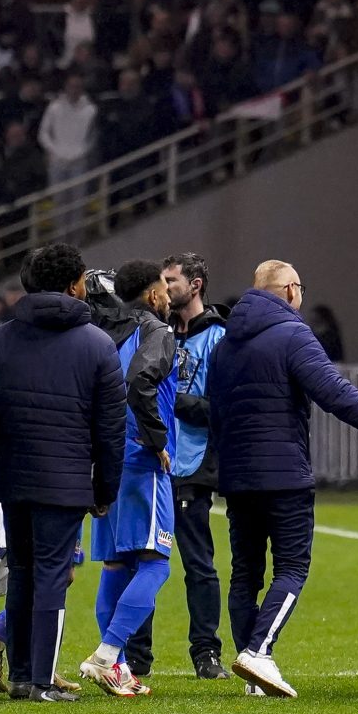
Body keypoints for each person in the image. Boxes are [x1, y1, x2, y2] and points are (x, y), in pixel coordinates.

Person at [209, 259, 358, 697]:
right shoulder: (293, 334)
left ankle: (253, 673)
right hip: (283, 474)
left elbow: (215, 411)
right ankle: (259, 653)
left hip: (238, 476)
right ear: (289, 291)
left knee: (245, 574)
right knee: (293, 567)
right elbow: (334, 391)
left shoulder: (226, 343)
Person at [0, 243, 127, 702]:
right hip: (67, 482)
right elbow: (110, 430)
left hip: (13, 478)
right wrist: (104, 489)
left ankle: (20, 677)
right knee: (53, 577)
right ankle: (39, 680)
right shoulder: (97, 345)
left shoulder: (1, 338)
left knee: (23, 573)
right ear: (76, 284)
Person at [74, 261, 180, 697]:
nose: (169, 299)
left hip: (107, 460)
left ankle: (116, 666)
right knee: (157, 563)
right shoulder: (158, 332)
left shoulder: (103, 333)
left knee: (116, 565)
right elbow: (140, 382)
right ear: (153, 296)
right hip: (141, 459)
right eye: (165, 292)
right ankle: (107, 653)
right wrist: (157, 440)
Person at [156, 252, 229, 679]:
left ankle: (206, 653)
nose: (165, 289)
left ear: (196, 285)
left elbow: (223, 407)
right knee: (141, 561)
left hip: (192, 464)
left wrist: (171, 402)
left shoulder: (219, 338)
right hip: (152, 464)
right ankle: (137, 657)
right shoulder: (156, 331)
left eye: (172, 280)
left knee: (198, 564)